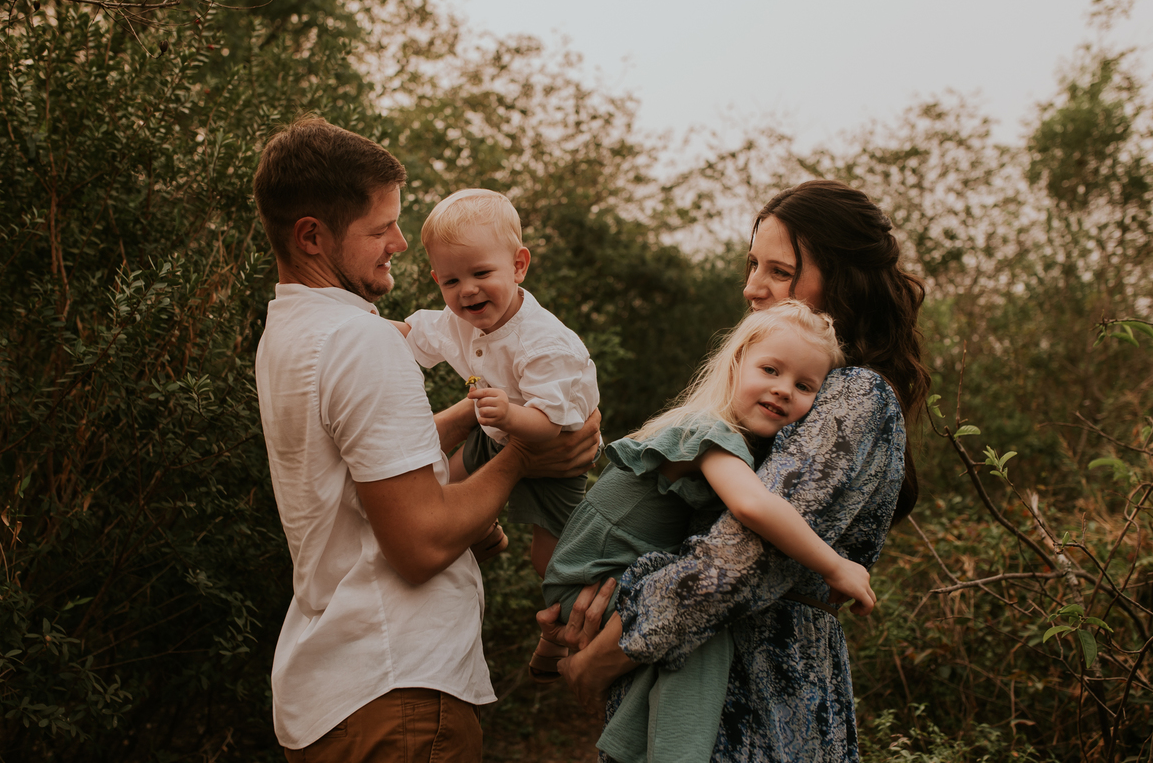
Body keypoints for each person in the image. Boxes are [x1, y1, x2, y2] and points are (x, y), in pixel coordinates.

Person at [540, 180, 929, 763]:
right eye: (752, 264)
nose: (752, 287)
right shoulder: (766, 402)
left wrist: (609, 652)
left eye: (780, 270)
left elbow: (740, 559)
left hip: (761, 688)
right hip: (697, 670)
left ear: (842, 279)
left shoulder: (855, 394)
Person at [252, 117, 600, 762]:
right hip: (399, 693)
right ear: (312, 236)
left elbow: (372, 469)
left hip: (335, 692)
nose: (400, 243)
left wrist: (476, 415)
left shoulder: (289, 335)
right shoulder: (361, 339)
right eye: (381, 227)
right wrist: (527, 451)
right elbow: (419, 543)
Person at [538, 301, 875, 763]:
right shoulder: (708, 431)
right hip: (592, 580)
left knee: (677, 622)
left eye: (803, 385)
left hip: (591, 577)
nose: (782, 390)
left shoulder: (720, 437)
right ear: (736, 364)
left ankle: (626, 747)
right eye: (771, 369)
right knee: (700, 626)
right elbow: (754, 506)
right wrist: (836, 565)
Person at [391, 189, 600, 575]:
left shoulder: (544, 343)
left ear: (518, 266)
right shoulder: (458, 320)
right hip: (495, 432)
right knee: (439, 492)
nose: (466, 290)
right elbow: (411, 334)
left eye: (481, 273)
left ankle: (567, 609)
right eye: (451, 280)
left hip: (555, 452)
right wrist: (365, 327)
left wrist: (508, 413)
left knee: (551, 561)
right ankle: (477, 528)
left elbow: (549, 424)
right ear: (437, 279)